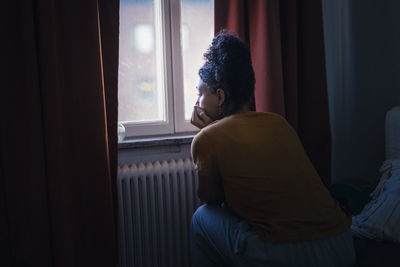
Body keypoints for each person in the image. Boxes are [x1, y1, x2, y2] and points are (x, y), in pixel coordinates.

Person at [189, 30, 356, 267]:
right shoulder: (279, 123)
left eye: (200, 94)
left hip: (286, 254)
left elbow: (210, 198)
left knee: (201, 218)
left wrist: (206, 133)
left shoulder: (207, 139)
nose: (197, 103)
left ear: (220, 96)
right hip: (340, 245)